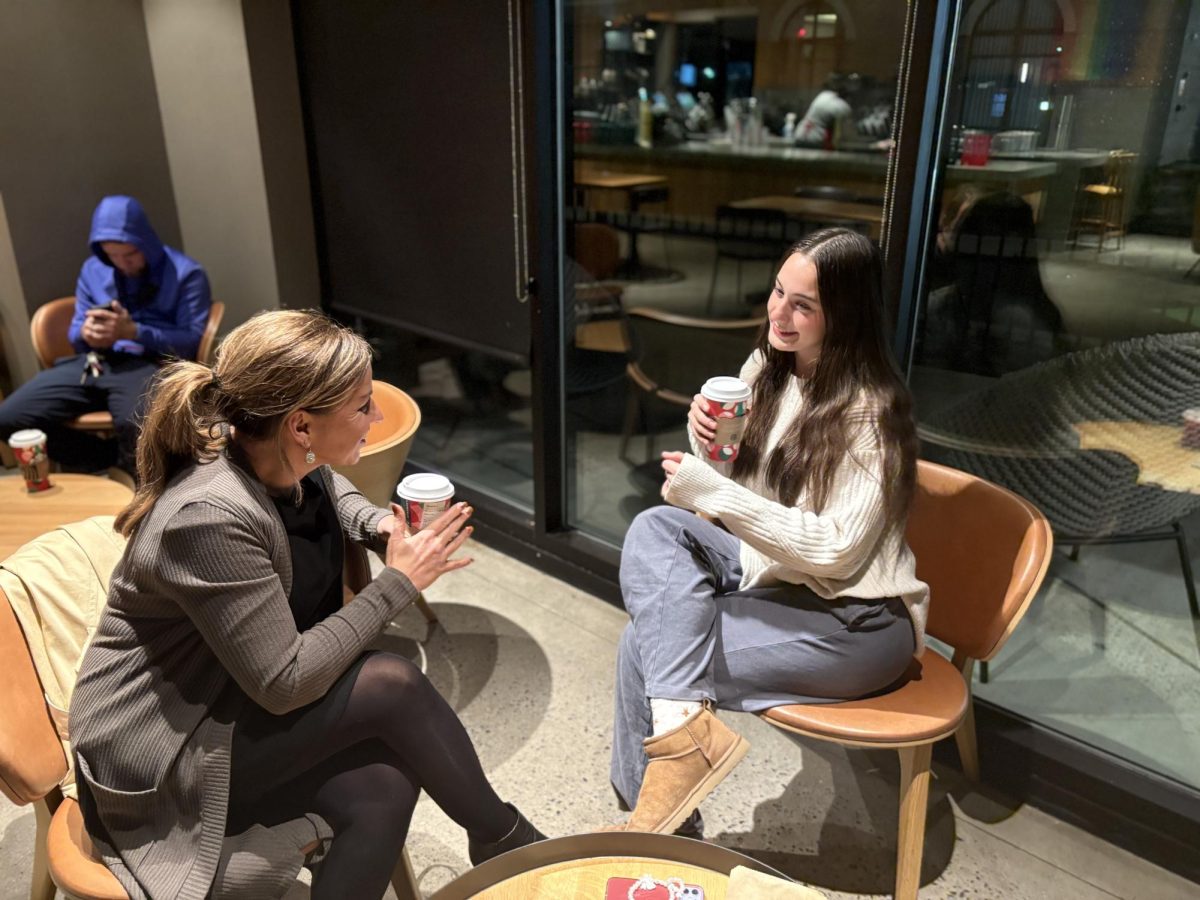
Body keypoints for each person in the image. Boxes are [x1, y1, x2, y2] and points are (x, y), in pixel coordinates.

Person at [68, 310, 544, 900]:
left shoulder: (275, 455)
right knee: (391, 683)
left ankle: (504, 841)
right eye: (363, 406)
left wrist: (380, 529)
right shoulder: (208, 515)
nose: (375, 418)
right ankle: (508, 842)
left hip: (228, 704)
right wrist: (398, 581)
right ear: (300, 425)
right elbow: (284, 681)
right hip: (165, 750)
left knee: (385, 783)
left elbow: (328, 493)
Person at [607, 228, 929, 835]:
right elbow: (736, 485)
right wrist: (707, 443)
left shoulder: (872, 412)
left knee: (642, 648)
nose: (779, 314)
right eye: (778, 292)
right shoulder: (767, 368)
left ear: (845, 314)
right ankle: (672, 783)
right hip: (775, 574)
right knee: (656, 527)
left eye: (803, 305)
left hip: (856, 620)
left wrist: (713, 489)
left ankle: (655, 831)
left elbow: (834, 552)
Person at [0, 195, 211, 476]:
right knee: (9, 418)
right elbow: (76, 333)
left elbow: (191, 343)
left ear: (145, 242)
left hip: (150, 363)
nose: (122, 263)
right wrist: (86, 334)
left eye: (130, 254)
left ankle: (140, 485)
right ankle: (108, 460)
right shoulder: (93, 270)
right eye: (112, 256)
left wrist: (134, 332)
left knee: (137, 424)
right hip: (96, 362)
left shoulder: (187, 274)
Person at [793, 73, 855, 149]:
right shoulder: (842, 106)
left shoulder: (822, 96)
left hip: (800, 135)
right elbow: (840, 135)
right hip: (815, 141)